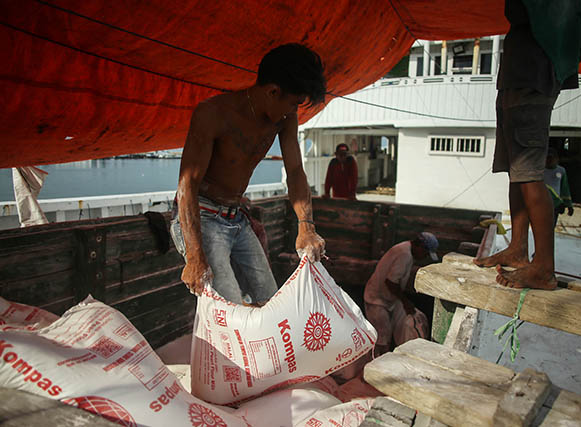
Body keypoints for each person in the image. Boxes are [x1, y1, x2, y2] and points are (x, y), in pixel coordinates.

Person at [170, 43, 326, 304]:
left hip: (237, 218)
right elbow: (187, 184)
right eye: (293, 103)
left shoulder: (285, 118)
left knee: (272, 302)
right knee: (229, 307)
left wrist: (306, 225)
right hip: (202, 218)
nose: (293, 111)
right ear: (273, 91)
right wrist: (195, 255)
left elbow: (296, 171)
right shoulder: (213, 113)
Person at [474, 0, 581, 290]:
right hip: (517, 79)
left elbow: (521, 11)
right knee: (516, 171)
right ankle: (518, 248)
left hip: (531, 79)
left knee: (529, 174)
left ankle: (544, 267)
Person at [364, 232, 439, 357]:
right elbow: (391, 282)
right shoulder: (405, 254)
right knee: (382, 340)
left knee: (387, 336)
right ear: (419, 245)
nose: (425, 257)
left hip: (387, 299)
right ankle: (377, 365)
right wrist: (405, 301)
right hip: (376, 300)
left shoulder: (406, 249)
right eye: (425, 253)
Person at [544, 147, 574, 228]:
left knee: (551, 226)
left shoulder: (561, 170)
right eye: (547, 158)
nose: (549, 160)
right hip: (542, 203)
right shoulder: (540, 171)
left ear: (557, 159)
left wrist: (569, 205)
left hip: (555, 203)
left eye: (551, 158)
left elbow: (565, 188)